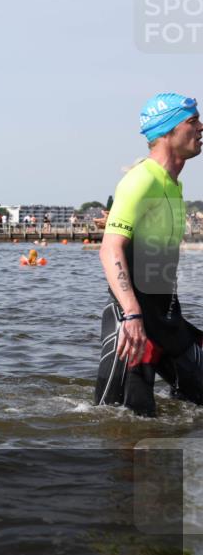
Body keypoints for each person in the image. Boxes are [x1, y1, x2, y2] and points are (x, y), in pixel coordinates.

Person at [95, 93, 203, 416]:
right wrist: (132, 314)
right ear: (168, 131)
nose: (201, 127)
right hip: (133, 329)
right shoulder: (141, 180)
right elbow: (109, 248)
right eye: (193, 121)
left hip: (167, 322)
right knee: (120, 426)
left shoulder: (172, 184)